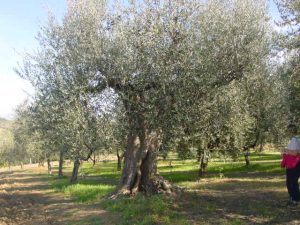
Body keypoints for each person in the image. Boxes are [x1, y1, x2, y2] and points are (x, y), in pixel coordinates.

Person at [281, 124, 300, 206]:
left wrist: (286, 150)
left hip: (294, 164)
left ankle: (294, 199)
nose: (287, 132)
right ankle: (295, 198)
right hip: (293, 164)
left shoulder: (295, 140)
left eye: (288, 130)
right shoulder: (294, 139)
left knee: (291, 182)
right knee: (293, 182)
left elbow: (296, 153)